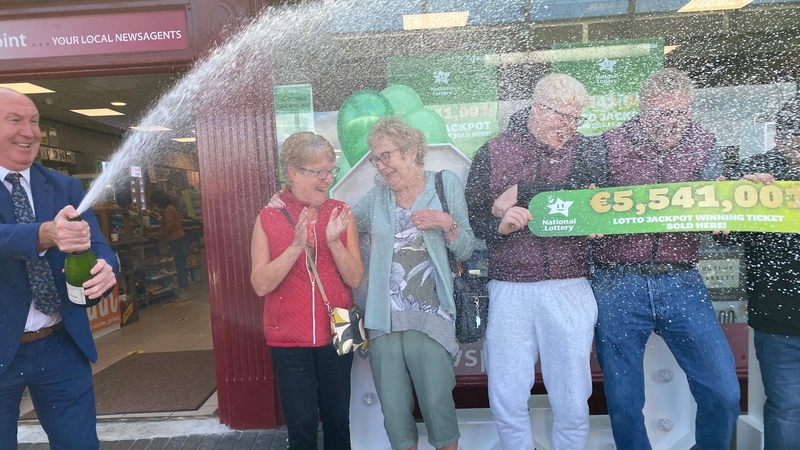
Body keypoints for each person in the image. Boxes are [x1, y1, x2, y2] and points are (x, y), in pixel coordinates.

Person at [592, 68, 740, 449]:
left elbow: (718, 204)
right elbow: (584, 205)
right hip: (617, 281)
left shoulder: (705, 143)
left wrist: (726, 215)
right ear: (642, 109)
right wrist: (589, 221)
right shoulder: (608, 143)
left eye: (680, 113)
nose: (671, 122)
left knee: (724, 392)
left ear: (690, 109)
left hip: (681, 280)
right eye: (661, 113)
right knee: (624, 403)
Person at [465, 73, 607, 449]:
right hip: (509, 287)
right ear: (539, 109)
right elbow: (475, 218)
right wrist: (500, 227)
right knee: (507, 396)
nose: (571, 126)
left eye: (577, 118)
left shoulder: (586, 149)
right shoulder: (492, 151)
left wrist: (522, 191)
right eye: (564, 116)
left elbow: (584, 195)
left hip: (569, 284)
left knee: (573, 400)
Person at [0, 87, 118, 449]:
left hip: (60, 344)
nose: (29, 131)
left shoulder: (64, 185)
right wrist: (43, 234)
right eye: (14, 120)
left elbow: (97, 245)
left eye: (34, 121)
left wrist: (106, 267)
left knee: (79, 444)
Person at [353, 116, 475, 450]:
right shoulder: (377, 197)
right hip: (384, 318)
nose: (382, 166)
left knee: (438, 404)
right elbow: (343, 223)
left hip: (432, 314)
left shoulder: (444, 184)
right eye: (376, 159)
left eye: (386, 156)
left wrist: (447, 223)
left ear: (410, 152)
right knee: (394, 413)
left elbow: (467, 248)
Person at [250, 132, 363, 450]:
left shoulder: (341, 212)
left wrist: (332, 242)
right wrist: (294, 248)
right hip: (289, 341)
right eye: (320, 171)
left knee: (338, 421)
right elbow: (260, 284)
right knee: (300, 427)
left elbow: (355, 278)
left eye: (331, 170)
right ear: (294, 173)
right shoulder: (268, 217)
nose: (328, 179)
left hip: (336, 336)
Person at [731, 96, 800, 450]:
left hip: (776, 316)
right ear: (781, 139)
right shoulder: (758, 172)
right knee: (787, 409)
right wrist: (740, 198)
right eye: (792, 138)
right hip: (778, 320)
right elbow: (726, 236)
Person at [148, 190, 189, 288]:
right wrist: (156, 230)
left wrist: (157, 234)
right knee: (180, 265)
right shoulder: (170, 208)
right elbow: (169, 225)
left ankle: (184, 287)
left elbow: (169, 227)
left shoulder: (168, 210)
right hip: (179, 240)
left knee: (180, 266)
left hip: (177, 240)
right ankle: (184, 286)